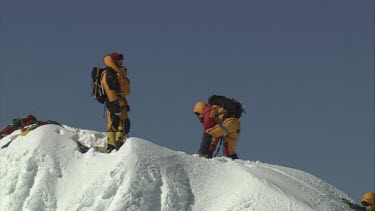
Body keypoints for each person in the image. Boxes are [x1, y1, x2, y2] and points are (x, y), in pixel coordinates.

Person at [101, 52, 131, 152]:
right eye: (119, 60)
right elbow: (108, 87)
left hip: (121, 100)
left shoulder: (119, 72)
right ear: (114, 61)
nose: (121, 62)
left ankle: (119, 143)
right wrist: (114, 102)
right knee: (114, 122)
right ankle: (111, 145)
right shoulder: (110, 71)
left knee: (124, 123)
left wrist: (125, 103)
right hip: (112, 100)